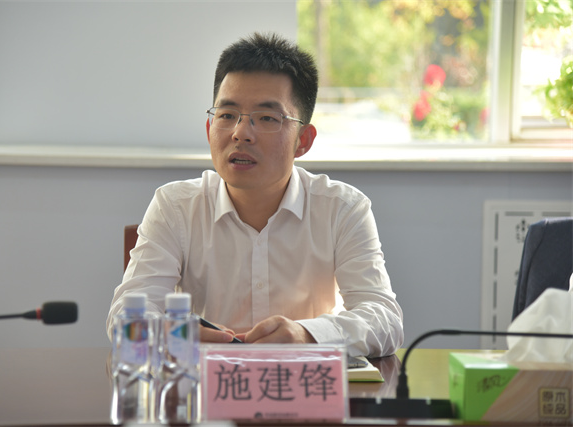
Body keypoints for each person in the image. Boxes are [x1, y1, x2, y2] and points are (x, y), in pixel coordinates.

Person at [107, 32, 403, 357]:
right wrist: (172, 335)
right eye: (227, 115)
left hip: (302, 384)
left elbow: (385, 319)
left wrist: (307, 334)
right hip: (206, 382)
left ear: (303, 140)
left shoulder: (343, 209)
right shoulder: (175, 206)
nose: (240, 133)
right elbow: (125, 318)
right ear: (209, 130)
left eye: (266, 118)